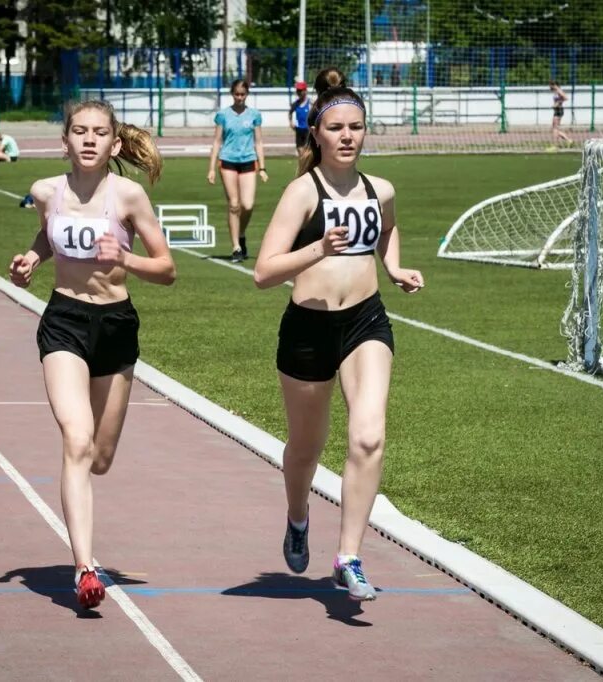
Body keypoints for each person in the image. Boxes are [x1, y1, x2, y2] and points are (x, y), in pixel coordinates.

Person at [253, 83, 423, 602]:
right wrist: (319, 249)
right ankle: (298, 516)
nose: (347, 136)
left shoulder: (382, 189)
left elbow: (387, 229)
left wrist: (392, 267)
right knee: (306, 448)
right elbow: (264, 272)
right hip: (307, 328)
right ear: (317, 133)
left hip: (366, 323)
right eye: (335, 127)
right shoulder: (304, 192)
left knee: (368, 437)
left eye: (355, 126)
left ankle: (349, 555)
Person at [7, 100, 176, 610]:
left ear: (114, 144)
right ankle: (85, 567)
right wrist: (33, 257)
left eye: (98, 133)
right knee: (76, 441)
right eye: (78, 131)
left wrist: (125, 257)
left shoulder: (128, 196)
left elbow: (167, 269)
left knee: (100, 458)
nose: (87, 140)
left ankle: (85, 551)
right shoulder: (45, 192)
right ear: (65, 140)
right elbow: (48, 233)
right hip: (63, 322)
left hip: (117, 326)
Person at [207, 79, 268, 263]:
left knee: (247, 205)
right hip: (228, 161)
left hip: (249, 161)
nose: (240, 97)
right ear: (232, 94)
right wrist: (211, 168)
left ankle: (241, 233)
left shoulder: (254, 115)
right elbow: (217, 141)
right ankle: (236, 247)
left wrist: (262, 167)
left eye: (243, 94)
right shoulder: (223, 115)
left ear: (247, 94)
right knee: (234, 204)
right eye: (237, 94)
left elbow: (258, 141)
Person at [289, 80, 311, 158]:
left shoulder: (310, 103)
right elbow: (290, 113)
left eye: (301, 90)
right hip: (299, 129)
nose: (299, 92)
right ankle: (303, 164)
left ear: (305, 91)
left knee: (308, 149)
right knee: (299, 148)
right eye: (298, 90)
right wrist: (291, 122)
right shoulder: (295, 104)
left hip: (308, 129)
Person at [548, 81, 573, 150]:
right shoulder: (556, 91)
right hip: (557, 110)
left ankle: (555, 146)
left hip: (559, 110)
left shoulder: (559, 90)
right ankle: (569, 140)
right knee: (555, 129)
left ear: (553, 85)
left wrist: (557, 104)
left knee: (555, 129)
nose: (549, 88)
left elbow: (565, 97)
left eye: (550, 86)